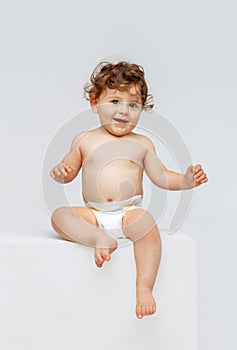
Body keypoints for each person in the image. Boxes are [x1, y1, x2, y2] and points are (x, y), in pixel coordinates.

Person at [50, 61, 208, 319]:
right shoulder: (84, 140)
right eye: (114, 102)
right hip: (94, 215)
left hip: (128, 213)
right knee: (59, 216)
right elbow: (67, 172)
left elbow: (161, 176)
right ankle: (98, 238)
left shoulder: (142, 143)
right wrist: (60, 172)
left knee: (147, 225)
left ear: (141, 109)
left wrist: (186, 180)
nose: (123, 111)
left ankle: (144, 288)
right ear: (94, 102)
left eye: (133, 105)